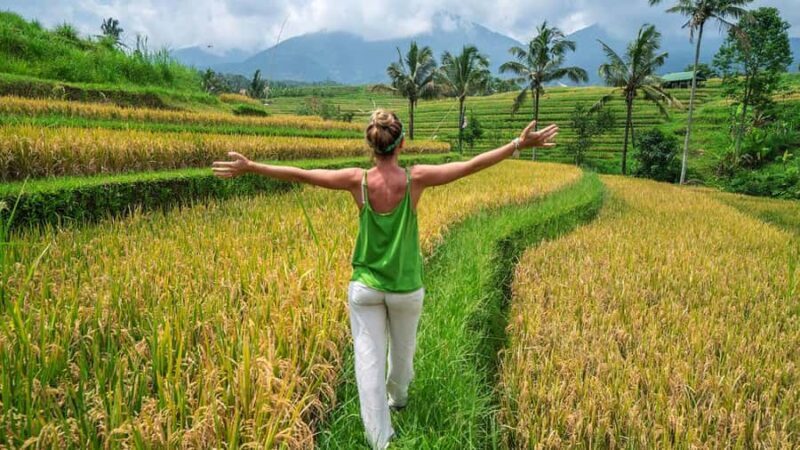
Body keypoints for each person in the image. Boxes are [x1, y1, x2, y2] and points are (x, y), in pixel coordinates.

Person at [211, 109, 558, 449]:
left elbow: (303, 174)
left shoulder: (356, 180)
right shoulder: (415, 179)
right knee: (402, 359)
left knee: (368, 362)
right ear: (402, 144)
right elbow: (471, 166)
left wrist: (252, 166)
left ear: (370, 145)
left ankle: (380, 440)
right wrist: (517, 144)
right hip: (406, 289)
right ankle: (400, 399)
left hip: (366, 288)